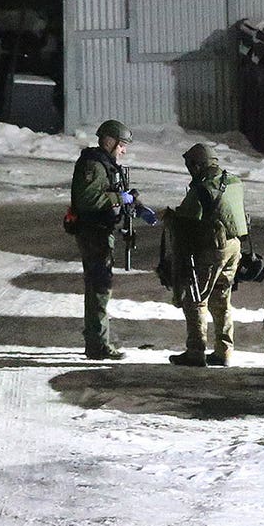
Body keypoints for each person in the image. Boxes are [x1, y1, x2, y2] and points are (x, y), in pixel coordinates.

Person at [69, 119, 155, 361]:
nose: (124, 150)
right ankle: (97, 345)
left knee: (99, 285)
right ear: (109, 141)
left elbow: (111, 194)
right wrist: (120, 198)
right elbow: (88, 200)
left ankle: (96, 341)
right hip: (93, 232)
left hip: (100, 230)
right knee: (99, 287)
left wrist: (135, 205)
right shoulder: (93, 165)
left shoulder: (105, 164)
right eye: (122, 145)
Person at [168, 143, 248, 367]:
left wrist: (170, 217)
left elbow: (187, 217)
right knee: (222, 299)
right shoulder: (234, 181)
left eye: (190, 166)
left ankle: (196, 351)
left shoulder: (203, 186)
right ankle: (224, 351)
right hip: (235, 246)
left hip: (214, 247)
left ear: (197, 165)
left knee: (195, 298)